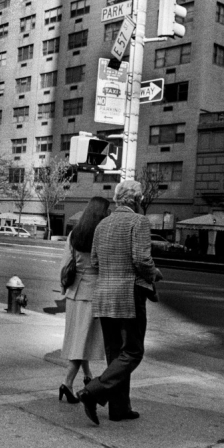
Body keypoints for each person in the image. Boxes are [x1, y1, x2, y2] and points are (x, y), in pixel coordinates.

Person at [77, 180, 162, 425]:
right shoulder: (139, 222)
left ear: (117, 199)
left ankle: (119, 408)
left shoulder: (102, 224)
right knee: (133, 351)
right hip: (129, 293)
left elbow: (94, 260)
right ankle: (92, 392)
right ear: (136, 200)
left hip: (104, 293)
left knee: (115, 353)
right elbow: (142, 259)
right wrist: (155, 273)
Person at [58, 197, 109, 403]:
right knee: (82, 341)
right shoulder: (102, 236)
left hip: (74, 293)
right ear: (101, 214)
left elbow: (65, 264)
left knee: (80, 337)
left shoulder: (74, 234)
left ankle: (87, 375)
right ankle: (67, 383)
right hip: (93, 293)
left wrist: (64, 289)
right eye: (107, 211)